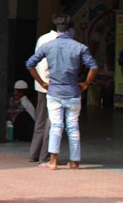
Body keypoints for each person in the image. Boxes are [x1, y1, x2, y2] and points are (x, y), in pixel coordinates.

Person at [26, 13, 98, 170]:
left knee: (56, 126)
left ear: (57, 30)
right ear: (71, 30)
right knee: (73, 127)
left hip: (54, 92)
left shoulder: (48, 46)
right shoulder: (80, 47)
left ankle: (52, 161)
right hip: (73, 92)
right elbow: (94, 66)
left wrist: (42, 83)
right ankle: (74, 161)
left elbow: (30, 64)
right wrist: (85, 83)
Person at [28, 24, 59, 163]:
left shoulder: (43, 38)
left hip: (40, 84)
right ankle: (45, 155)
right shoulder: (58, 40)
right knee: (51, 122)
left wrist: (41, 82)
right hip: (51, 85)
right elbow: (48, 64)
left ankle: (33, 153)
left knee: (40, 120)